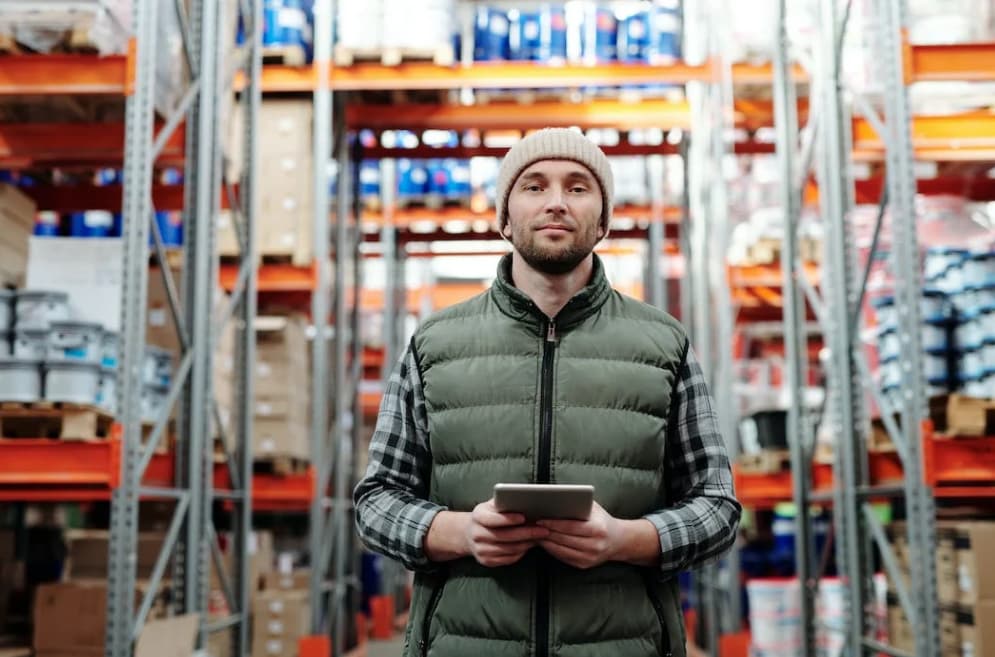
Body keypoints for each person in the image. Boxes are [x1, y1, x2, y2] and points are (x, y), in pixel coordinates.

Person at [354, 128, 741, 657]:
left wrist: (624, 540)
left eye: (578, 188)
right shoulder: (434, 345)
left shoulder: (664, 345)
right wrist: (460, 532)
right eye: (534, 186)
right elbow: (376, 502)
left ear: (602, 220)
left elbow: (717, 507)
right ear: (505, 218)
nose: (556, 202)